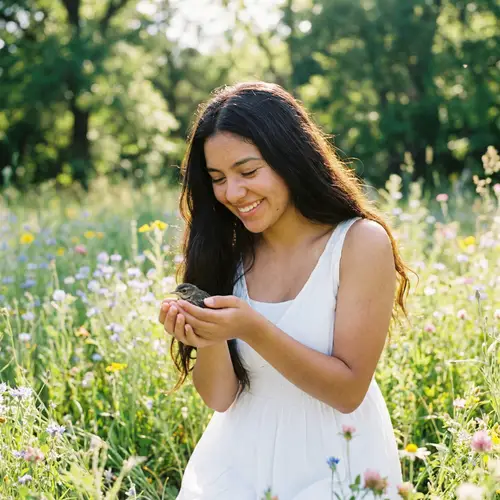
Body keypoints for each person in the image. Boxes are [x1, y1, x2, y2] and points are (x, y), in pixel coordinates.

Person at [158, 81, 412, 500]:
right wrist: (206, 336)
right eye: (218, 178)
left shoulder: (359, 243)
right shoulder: (228, 250)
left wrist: (253, 328)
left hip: (337, 458)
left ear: (290, 158)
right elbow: (221, 398)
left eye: (249, 172)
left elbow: (348, 391)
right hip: (238, 462)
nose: (233, 194)